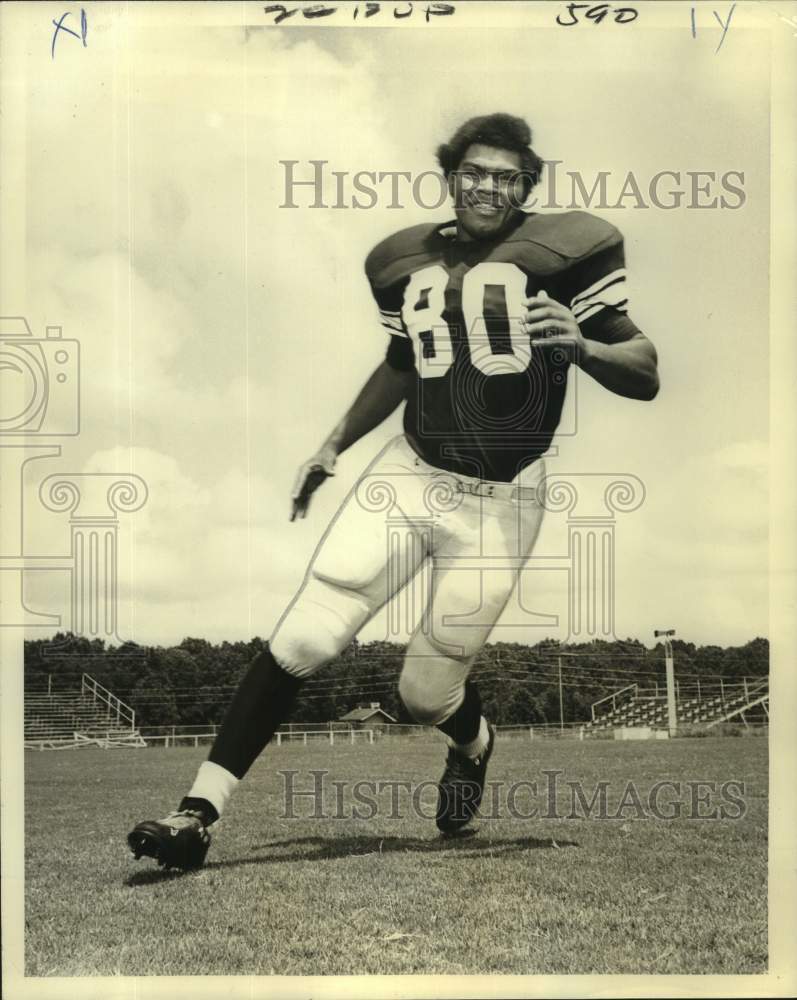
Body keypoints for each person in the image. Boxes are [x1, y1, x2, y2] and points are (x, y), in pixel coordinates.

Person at [128, 113, 659, 870]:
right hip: (409, 475)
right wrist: (332, 443)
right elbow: (400, 363)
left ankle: (473, 746)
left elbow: (644, 368)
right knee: (306, 637)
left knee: (424, 690)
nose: (487, 187)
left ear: (526, 188)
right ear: (451, 176)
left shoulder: (570, 249)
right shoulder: (399, 259)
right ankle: (195, 814)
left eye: (506, 176)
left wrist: (584, 346)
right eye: (474, 171)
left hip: (503, 498)